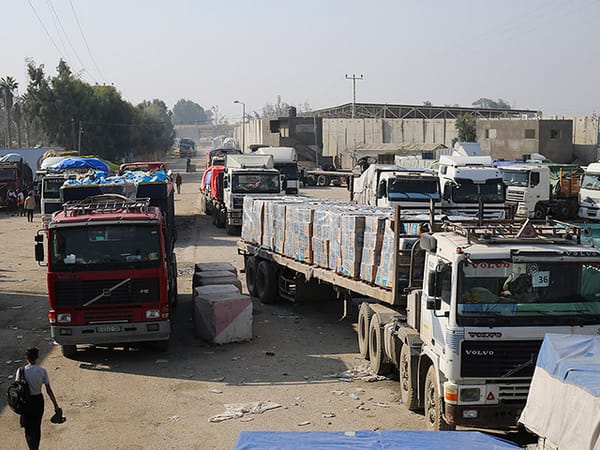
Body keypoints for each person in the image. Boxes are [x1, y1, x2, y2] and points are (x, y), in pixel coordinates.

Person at [16, 347, 61, 450]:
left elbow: (17, 389)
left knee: (28, 428)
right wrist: (56, 406)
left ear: (26, 357)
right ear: (37, 357)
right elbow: (48, 390)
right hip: (38, 401)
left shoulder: (20, 371)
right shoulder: (42, 371)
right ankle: (36, 447)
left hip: (25, 402)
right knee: (36, 426)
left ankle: (31, 448)